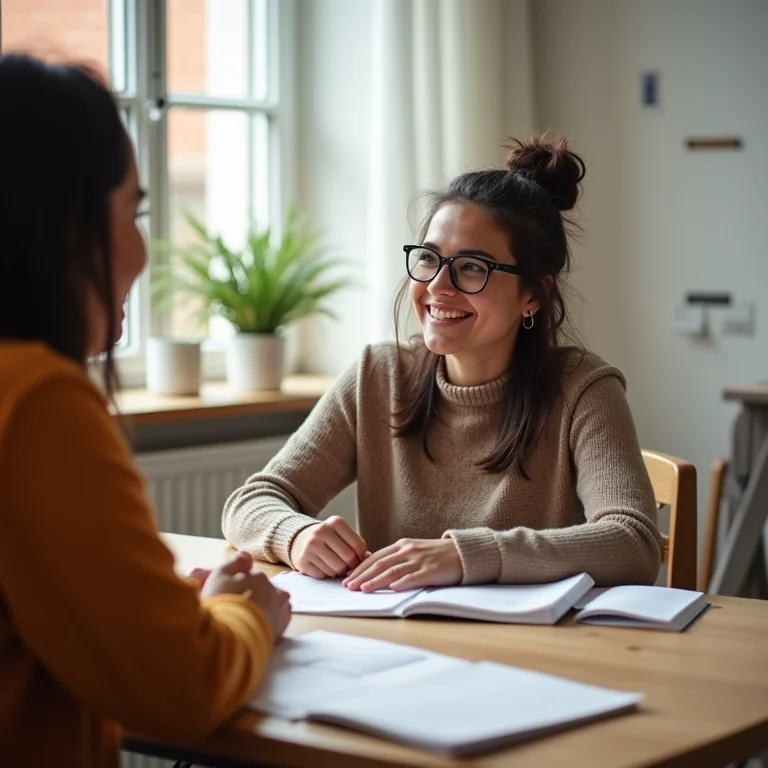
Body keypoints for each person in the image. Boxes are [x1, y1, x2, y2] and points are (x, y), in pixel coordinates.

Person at [0, 54, 290, 768]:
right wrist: (245, 613)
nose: (143, 250)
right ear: (64, 222)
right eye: (134, 211)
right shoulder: (35, 400)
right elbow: (180, 687)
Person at [222, 136, 662, 593]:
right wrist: (295, 536)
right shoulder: (378, 375)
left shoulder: (585, 390)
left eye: (472, 267)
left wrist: (467, 555)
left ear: (533, 294)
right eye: (429, 258)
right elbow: (251, 501)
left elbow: (633, 544)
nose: (438, 286)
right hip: (395, 641)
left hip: (524, 650)